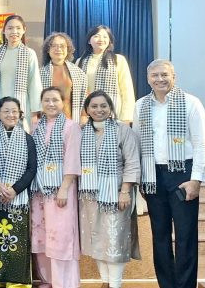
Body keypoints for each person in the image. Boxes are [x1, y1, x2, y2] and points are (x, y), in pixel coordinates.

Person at [134, 59, 205, 288]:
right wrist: (141, 179)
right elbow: (137, 143)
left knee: (186, 236)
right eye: (155, 75)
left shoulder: (191, 102)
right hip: (153, 175)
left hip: (182, 174)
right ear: (148, 79)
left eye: (164, 75)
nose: (160, 79)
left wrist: (196, 179)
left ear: (173, 77)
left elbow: (201, 143)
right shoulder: (140, 105)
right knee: (160, 235)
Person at [79, 90, 141, 288]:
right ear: (87, 109)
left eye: (103, 106)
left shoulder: (123, 130)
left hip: (116, 194)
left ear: (111, 108)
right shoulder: (82, 132)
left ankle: (115, 284)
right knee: (97, 239)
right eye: (94, 106)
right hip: (89, 195)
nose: (99, 110)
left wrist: (125, 191)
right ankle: (105, 282)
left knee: (115, 240)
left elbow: (132, 162)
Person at [29, 87, 81, 288]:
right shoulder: (35, 126)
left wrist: (64, 188)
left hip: (61, 189)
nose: (51, 104)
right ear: (41, 103)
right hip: (39, 190)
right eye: (47, 100)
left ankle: (64, 283)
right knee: (42, 235)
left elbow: (72, 159)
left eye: (55, 100)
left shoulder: (71, 126)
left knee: (61, 236)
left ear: (63, 102)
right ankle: (48, 280)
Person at [0, 97, 37, 287]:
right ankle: (0, 281)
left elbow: (31, 169)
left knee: (18, 241)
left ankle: (18, 283)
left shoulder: (27, 138)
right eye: (6, 111)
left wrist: (15, 190)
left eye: (15, 111)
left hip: (18, 199)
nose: (11, 115)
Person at [0, 15, 42, 132]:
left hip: (22, 106)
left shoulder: (29, 53)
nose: (14, 31)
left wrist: (34, 113)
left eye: (18, 28)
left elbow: (34, 84)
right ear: (4, 31)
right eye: (10, 28)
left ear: (24, 30)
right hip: (0, 106)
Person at [77, 25, 135, 123]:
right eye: (96, 36)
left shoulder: (118, 60)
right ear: (89, 41)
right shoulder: (80, 61)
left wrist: (126, 118)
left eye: (105, 36)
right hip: (87, 115)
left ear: (109, 41)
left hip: (113, 112)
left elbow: (127, 90)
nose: (101, 39)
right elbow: (77, 91)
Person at [39, 33, 87, 122]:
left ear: (68, 49)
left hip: (71, 121)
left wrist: (83, 116)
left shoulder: (78, 72)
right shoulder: (40, 73)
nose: (58, 49)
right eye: (54, 46)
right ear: (48, 50)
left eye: (62, 46)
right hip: (47, 121)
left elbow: (84, 97)